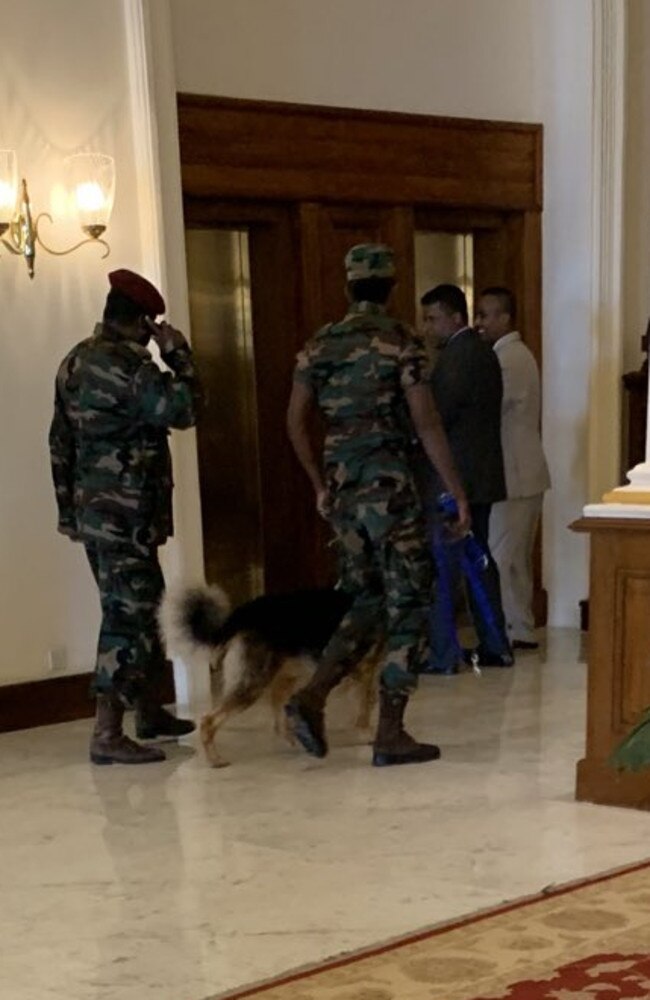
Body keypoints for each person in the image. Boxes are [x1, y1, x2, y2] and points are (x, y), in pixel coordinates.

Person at [284, 244, 469, 767]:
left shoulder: (319, 345)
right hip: (391, 492)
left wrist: (320, 483)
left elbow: (294, 420)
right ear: (390, 288)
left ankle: (312, 695)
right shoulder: (401, 341)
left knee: (365, 598)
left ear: (348, 287)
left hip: (344, 496)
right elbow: (426, 421)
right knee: (408, 601)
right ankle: (390, 730)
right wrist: (456, 491)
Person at [49, 268, 199, 765]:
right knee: (127, 616)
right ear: (140, 323)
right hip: (128, 513)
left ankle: (149, 711)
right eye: (149, 326)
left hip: (96, 514)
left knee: (144, 605)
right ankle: (107, 733)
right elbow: (184, 409)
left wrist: (68, 511)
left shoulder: (74, 362)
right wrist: (178, 355)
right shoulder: (131, 369)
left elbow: (60, 442)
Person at [421, 284, 513, 671]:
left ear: (455, 317)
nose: (426, 327)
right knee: (478, 564)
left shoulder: (459, 356)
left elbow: (436, 417)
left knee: (445, 568)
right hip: (480, 477)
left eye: (432, 318)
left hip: (454, 481)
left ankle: (443, 656)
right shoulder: (481, 352)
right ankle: (495, 645)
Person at [476, 287, 550, 650]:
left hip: (516, 472)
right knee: (513, 555)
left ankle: (512, 629)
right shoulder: (510, 354)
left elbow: (492, 404)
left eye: (486, 315)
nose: (480, 323)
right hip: (519, 470)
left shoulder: (509, 359)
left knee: (503, 554)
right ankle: (518, 627)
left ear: (505, 317)